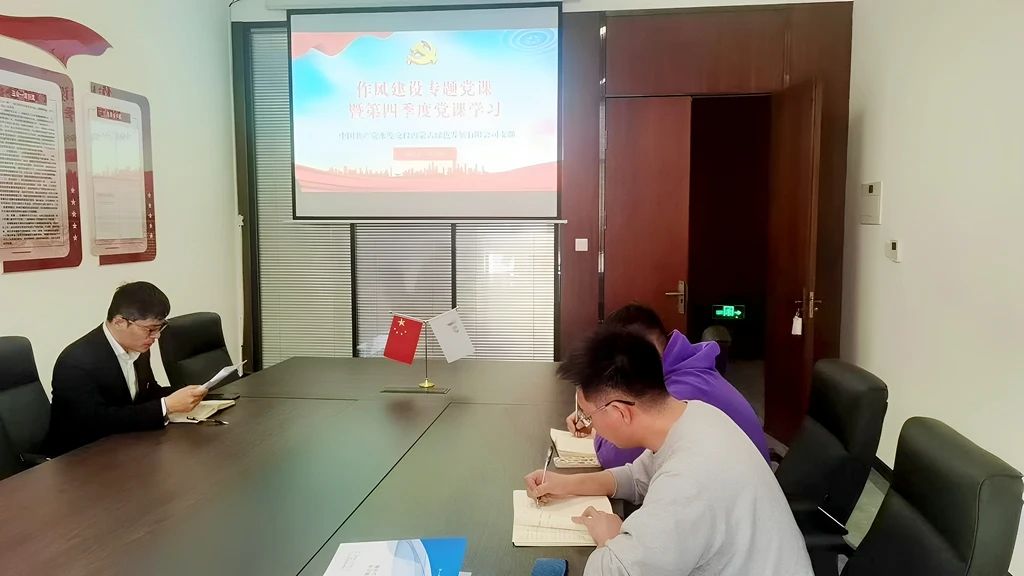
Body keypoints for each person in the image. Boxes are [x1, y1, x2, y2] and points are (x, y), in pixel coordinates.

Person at [528, 328, 812, 576]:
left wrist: (609, 536)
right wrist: (566, 484)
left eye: (588, 415)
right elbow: (637, 477)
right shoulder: (695, 413)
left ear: (619, 412)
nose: (589, 424)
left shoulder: (687, 482)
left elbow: (610, 571)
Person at [566, 304, 769, 467]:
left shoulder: (680, 391)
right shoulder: (687, 365)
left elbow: (615, 457)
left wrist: (600, 422)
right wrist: (597, 415)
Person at [45, 282, 208, 456]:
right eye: (150, 329)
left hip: (125, 445)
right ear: (119, 322)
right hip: (79, 456)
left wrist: (189, 393)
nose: (157, 336)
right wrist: (166, 406)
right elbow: (96, 422)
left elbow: (147, 393)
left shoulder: (139, 347)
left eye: (160, 327)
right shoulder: (75, 362)